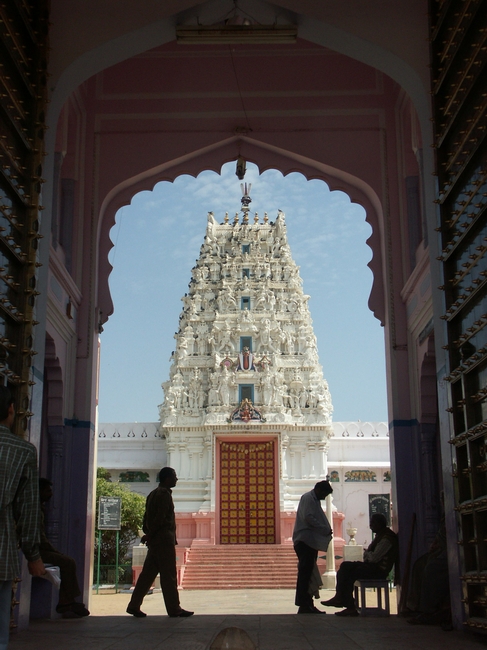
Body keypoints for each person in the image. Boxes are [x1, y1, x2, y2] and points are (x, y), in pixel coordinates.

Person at [0, 385, 45, 650]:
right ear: (11, 410)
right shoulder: (21, 450)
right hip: (2, 548)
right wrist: (33, 555)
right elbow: (28, 509)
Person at [126, 467, 193, 618]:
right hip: (163, 540)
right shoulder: (164, 495)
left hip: (155, 541)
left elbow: (146, 519)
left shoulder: (152, 494)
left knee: (147, 576)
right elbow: (161, 518)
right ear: (167, 478)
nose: (176, 479)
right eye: (174, 476)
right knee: (168, 575)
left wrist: (148, 534)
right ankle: (174, 608)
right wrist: (151, 534)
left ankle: (134, 605)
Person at [322, 512, 398, 616]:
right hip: (373, 567)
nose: (371, 525)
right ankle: (340, 597)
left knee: (351, 573)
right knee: (345, 566)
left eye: (373, 523)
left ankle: (348, 604)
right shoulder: (380, 536)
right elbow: (369, 555)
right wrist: (368, 554)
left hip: (379, 571)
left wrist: (367, 553)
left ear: (380, 524)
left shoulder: (386, 539)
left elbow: (373, 558)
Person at [38, 478, 89, 618]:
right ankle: (66, 600)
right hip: (35, 550)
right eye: (48, 491)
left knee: (67, 561)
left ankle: (67, 599)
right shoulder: (34, 509)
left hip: (38, 549)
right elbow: (39, 537)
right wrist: (53, 551)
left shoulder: (39, 508)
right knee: (67, 561)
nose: (51, 494)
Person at [293, 480, 333, 614]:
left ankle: (308, 603)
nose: (324, 497)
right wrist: (323, 528)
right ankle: (304, 604)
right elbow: (308, 517)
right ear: (320, 490)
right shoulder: (308, 499)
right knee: (305, 573)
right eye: (325, 494)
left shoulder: (313, 500)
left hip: (310, 541)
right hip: (305, 541)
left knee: (309, 573)